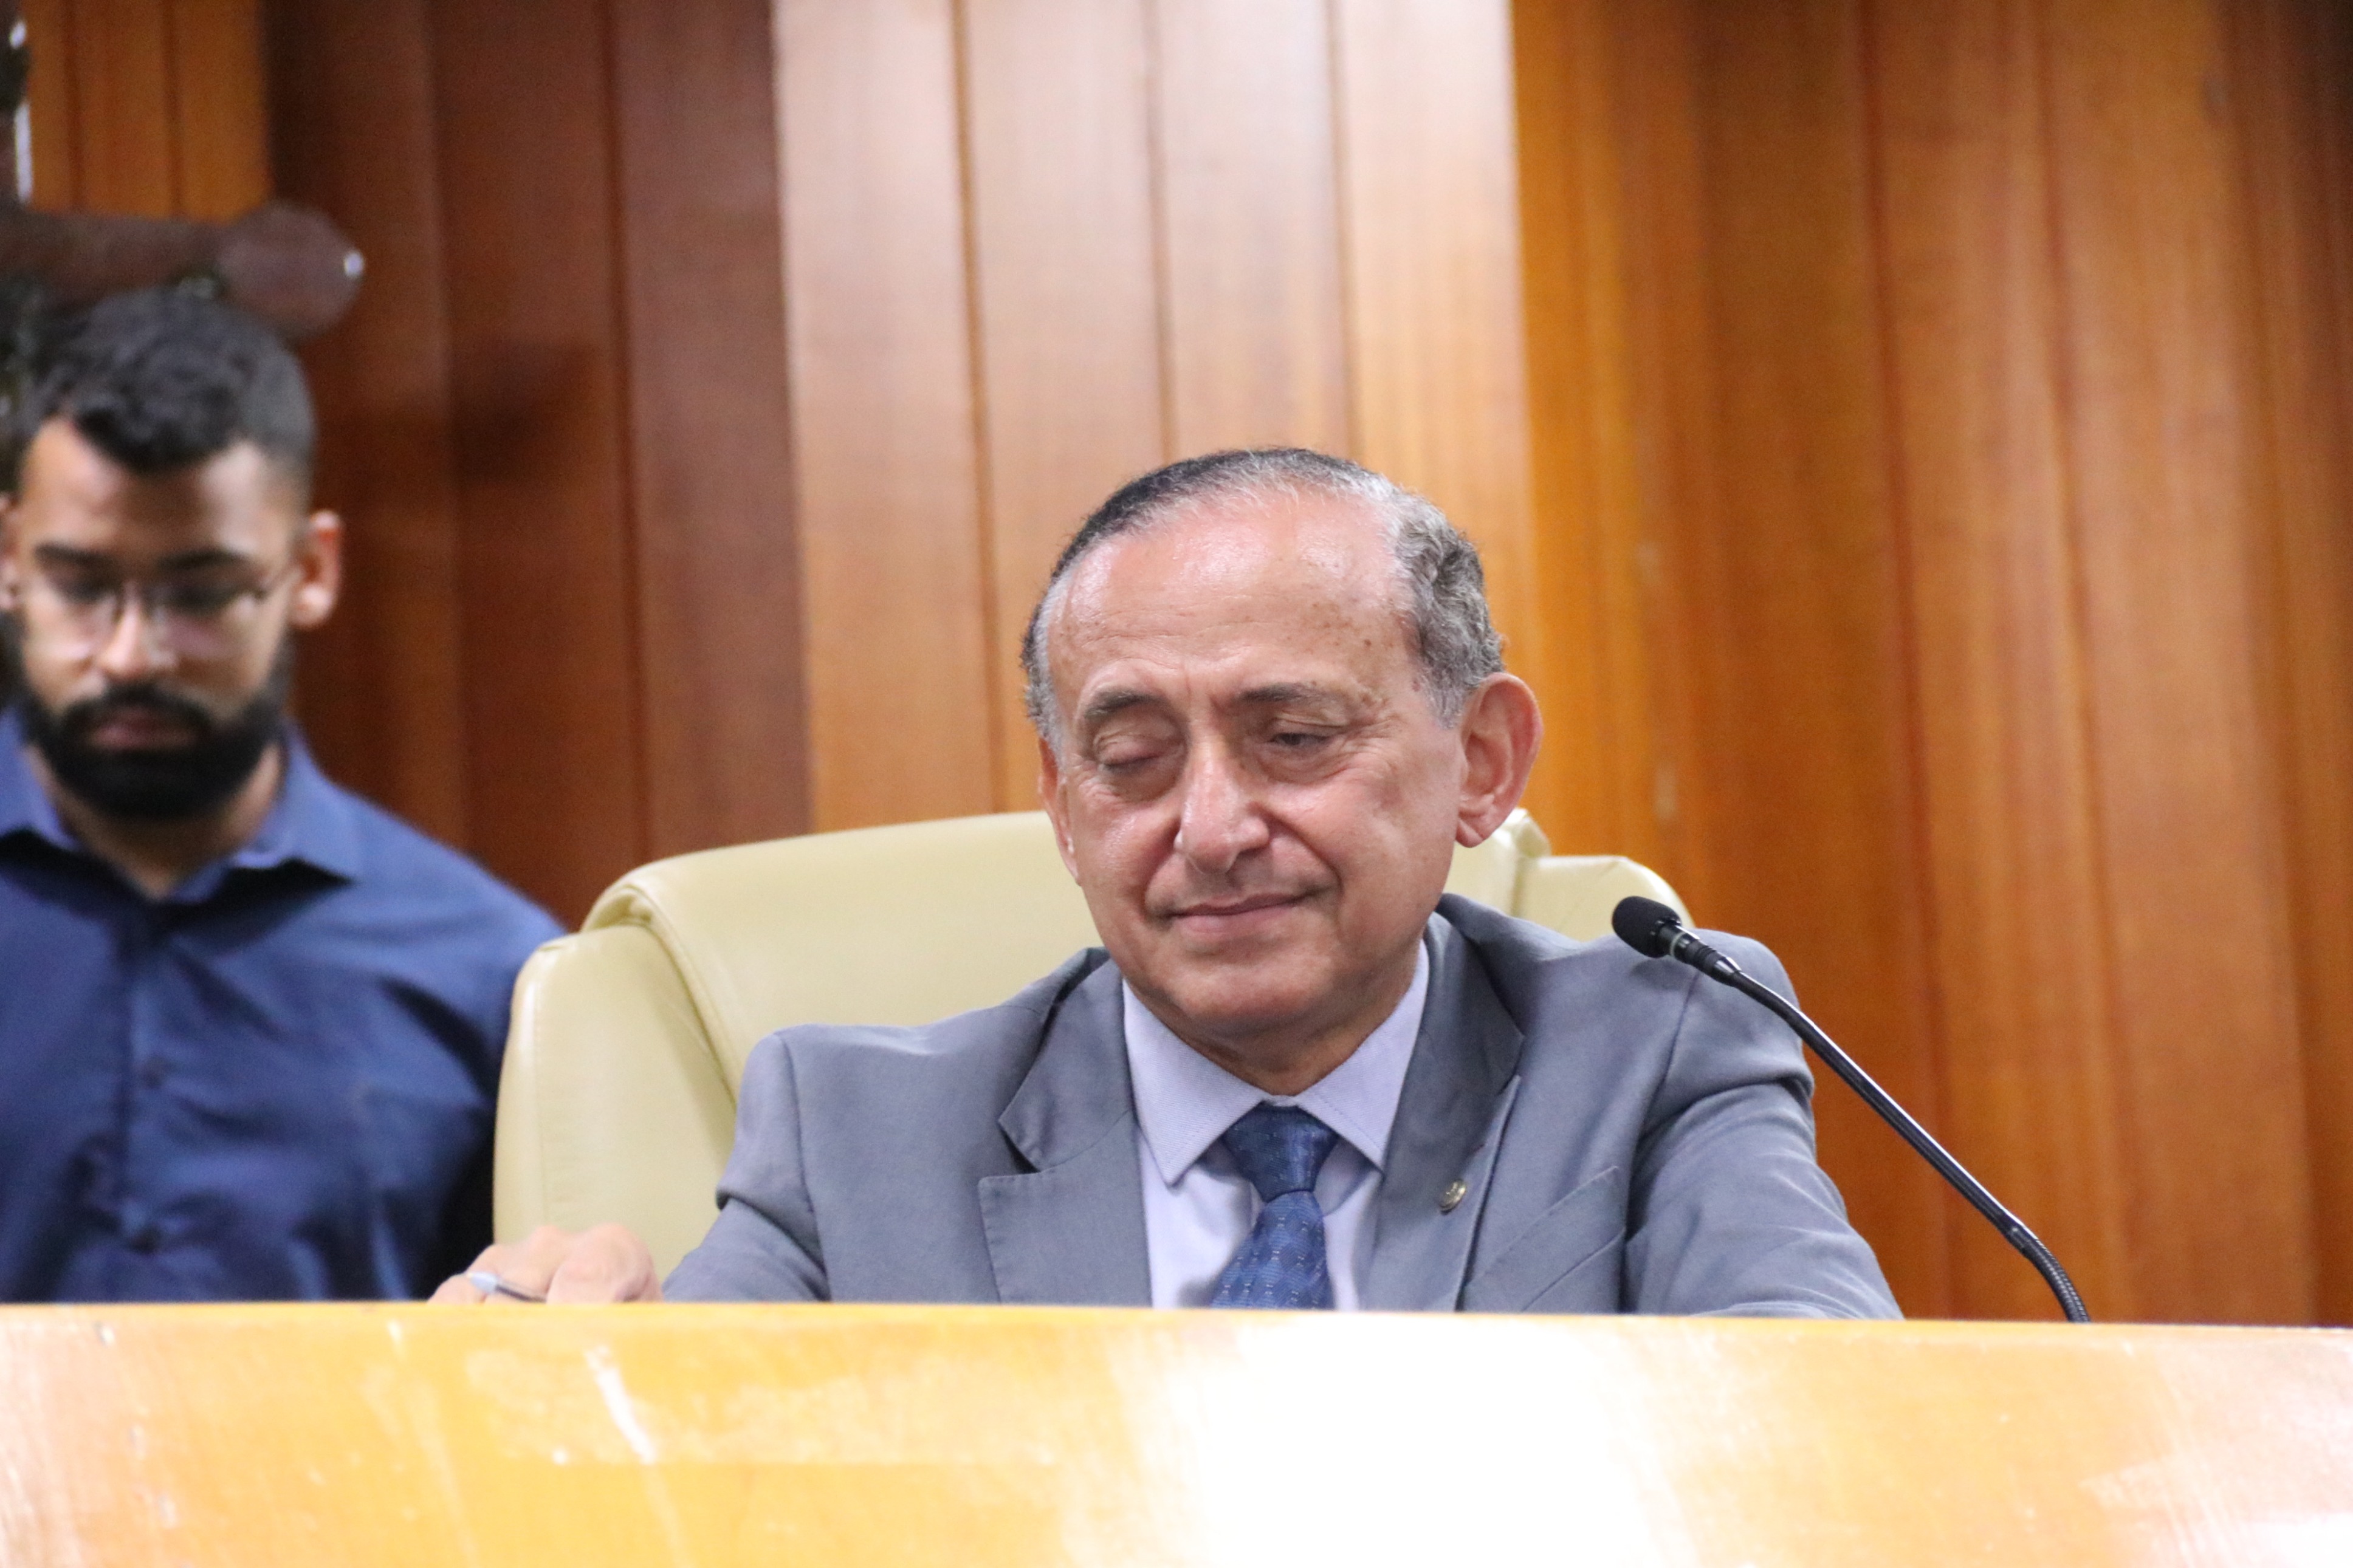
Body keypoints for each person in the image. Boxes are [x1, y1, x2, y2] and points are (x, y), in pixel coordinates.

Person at [442, 448, 1896, 1317]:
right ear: (1063, 809)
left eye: (1294, 738)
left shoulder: (1650, 1049)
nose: (1209, 827)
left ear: (1480, 759)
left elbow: (1817, 1425)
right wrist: (569, 1384)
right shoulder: (856, 1134)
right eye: (1131, 759)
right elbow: (698, 1478)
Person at [0, 287, 562, 1301]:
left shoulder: (490, 974)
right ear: (9, 559)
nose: (129, 654)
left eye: (200, 592)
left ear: (310, 569)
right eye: (80, 585)